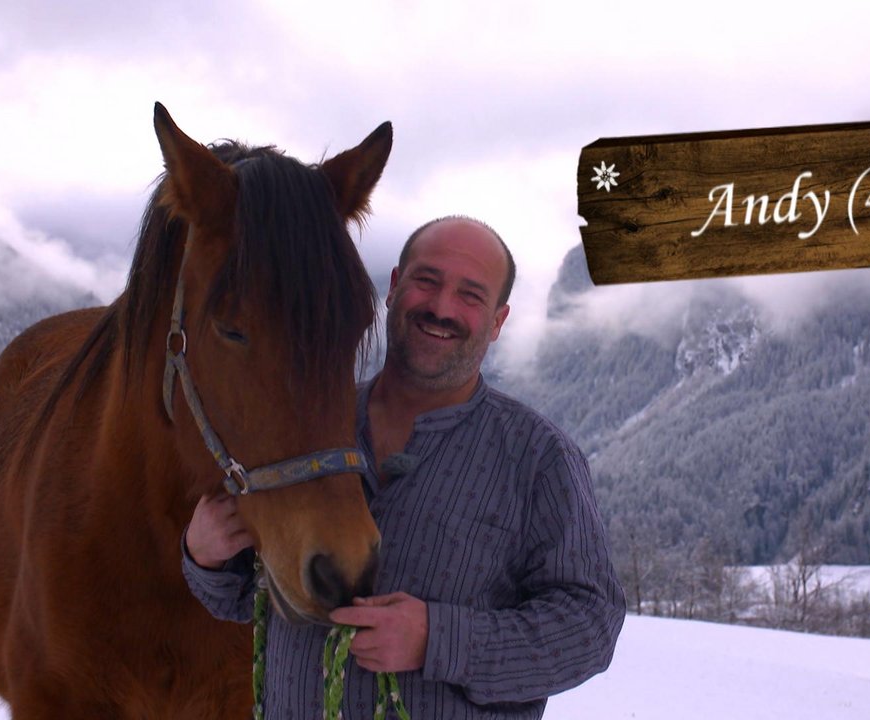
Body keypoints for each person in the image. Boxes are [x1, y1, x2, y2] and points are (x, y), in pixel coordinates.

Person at [183, 215, 625, 719]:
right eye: (427, 281)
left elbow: (589, 629)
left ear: (498, 321)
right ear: (394, 288)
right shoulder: (301, 429)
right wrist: (206, 558)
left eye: (470, 295)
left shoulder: (539, 458)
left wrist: (438, 640)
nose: (441, 307)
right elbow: (251, 597)